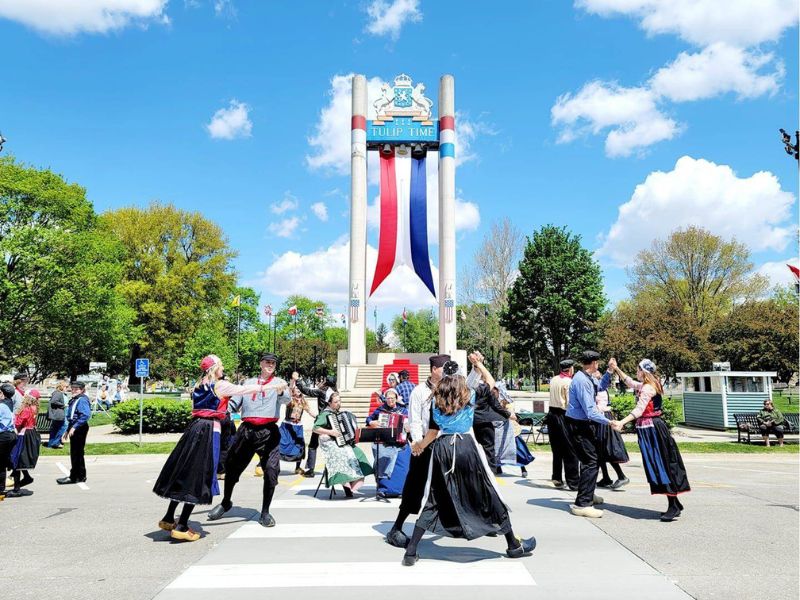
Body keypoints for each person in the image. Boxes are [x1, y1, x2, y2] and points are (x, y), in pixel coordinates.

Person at [400, 359, 535, 566]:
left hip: (443, 448)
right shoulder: (470, 394)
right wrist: (479, 364)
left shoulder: (436, 398)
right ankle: (513, 545)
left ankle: (411, 551)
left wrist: (419, 445)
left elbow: (433, 432)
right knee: (488, 492)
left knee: (434, 497)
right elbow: (490, 382)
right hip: (466, 446)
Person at [153, 355, 273, 541]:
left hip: (194, 429)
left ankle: (169, 518)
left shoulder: (198, 384)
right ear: (215, 367)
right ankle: (183, 525)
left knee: (184, 472)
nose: (223, 368)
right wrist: (273, 386)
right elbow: (244, 389)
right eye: (222, 364)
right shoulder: (219, 385)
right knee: (199, 475)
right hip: (209, 430)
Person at [207, 353, 290, 528]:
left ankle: (265, 511)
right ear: (260, 364)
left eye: (273, 363)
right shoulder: (248, 383)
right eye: (267, 362)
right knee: (232, 467)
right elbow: (233, 403)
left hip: (269, 430)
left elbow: (286, 401)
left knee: (271, 470)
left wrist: (282, 391)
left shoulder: (279, 382)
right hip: (247, 430)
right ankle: (226, 502)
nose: (270, 365)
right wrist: (216, 410)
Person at [612, 358, 690, 521]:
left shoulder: (648, 388)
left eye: (638, 369)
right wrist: (616, 369)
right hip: (649, 430)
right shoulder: (647, 385)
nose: (636, 372)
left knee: (661, 465)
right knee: (658, 465)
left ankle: (673, 504)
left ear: (644, 372)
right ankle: (674, 502)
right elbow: (631, 383)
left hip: (653, 430)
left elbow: (639, 410)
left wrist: (621, 422)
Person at [384, 354, 449, 548]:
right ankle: (397, 526)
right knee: (415, 486)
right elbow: (415, 421)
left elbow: (468, 390)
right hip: (425, 445)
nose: (446, 371)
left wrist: (477, 368)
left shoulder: (449, 388)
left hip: (446, 444)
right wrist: (419, 444)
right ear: (433, 369)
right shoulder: (419, 391)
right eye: (443, 368)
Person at [565, 351, 618, 518]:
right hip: (579, 425)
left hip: (582, 424)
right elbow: (589, 411)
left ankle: (588, 493)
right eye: (598, 363)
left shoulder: (587, 378)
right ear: (594, 363)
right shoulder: (582, 381)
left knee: (589, 459)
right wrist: (609, 422)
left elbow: (600, 386)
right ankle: (582, 504)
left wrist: (610, 371)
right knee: (590, 461)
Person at [312, 392, 373, 496]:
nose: (338, 403)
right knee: (342, 456)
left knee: (359, 454)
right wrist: (331, 432)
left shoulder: (338, 413)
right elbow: (315, 428)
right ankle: (347, 486)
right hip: (331, 443)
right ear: (329, 403)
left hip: (342, 442)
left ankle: (354, 482)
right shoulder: (325, 414)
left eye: (339, 401)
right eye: (336, 402)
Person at [471, 352, 510, 474]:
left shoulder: (465, 389)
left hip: (470, 422)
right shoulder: (483, 389)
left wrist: (477, 365)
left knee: (473, 449)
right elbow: (495, 404)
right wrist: (478, 363)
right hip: (485, 422)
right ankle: (490, 473)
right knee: (489, 449)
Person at [365, 387, 409, 497]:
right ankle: (383, 489)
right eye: (388, 398)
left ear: (397, 398)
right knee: (381, 452)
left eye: (392, 398)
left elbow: (411, 422)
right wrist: (372, 423)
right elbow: (368, 419)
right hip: (384, 441)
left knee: (404, 454)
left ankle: (400, 489)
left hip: (399, 441)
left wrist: (408, 427)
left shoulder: (403, 410)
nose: (390, 400)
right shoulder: (381, 410)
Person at [591, 370, 629, 489]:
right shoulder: (601, 389)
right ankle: (606, 477)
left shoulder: (599, 390)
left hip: (603, 419)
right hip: (603, 418)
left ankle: (621, 476)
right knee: (600, 450)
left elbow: (598, 407)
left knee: (606, 449)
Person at [296, 374, 337, 477]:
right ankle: (333, 469)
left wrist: (298, 380)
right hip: (332, 421)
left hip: (322, 420)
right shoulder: (336, 393)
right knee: (332, 445)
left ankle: (311, 469)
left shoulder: (322, 391)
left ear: (326, 382)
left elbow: (306, 391)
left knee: (313, 445)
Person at [547, 359, 580, 489]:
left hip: (551, 415)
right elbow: (569, 403)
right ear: (570, 369)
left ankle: (557, 477)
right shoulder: (569, 382)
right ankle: (573, 481)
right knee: (570, 449)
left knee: (557, 448)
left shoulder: (554, 379)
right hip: (563, 415)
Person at [279, 377, 318, 474]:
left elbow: (310, 412)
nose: (299, 390)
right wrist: (292, 379)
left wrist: (318, 417)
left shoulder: (303, 401)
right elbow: (289, 388)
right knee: (280, 445)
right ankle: (276, 466)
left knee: (299, 446)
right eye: (297, 388)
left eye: (300, 388)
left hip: (298, 427)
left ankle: (297, 467)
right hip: (287, 426)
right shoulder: (289, 400)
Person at [57, 381, 92, 486]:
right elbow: (73, 416)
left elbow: (85, 415)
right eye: (72, 388)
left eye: (76, 389)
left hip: (80, 428)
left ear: (82, 390)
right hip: (75, 427)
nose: (73, 390)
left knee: (77, 453)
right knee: (76, 453)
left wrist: (74, 427)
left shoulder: (82, 400)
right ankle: (80, 475)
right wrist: (68, 430)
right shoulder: (75, 399)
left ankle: (76, 476)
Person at [7, 390, 41, 497]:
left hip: (23, 435)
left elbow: (18, 423)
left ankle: (17, 489)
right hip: (30, 434)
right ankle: (26, 477)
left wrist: (14, 417)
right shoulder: (34, 409)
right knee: (21, 459)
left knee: (16, 460)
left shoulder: (26, 410)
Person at [495, 382, 533, 477]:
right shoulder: (493, 402)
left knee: (518, 450)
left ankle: (523, 468)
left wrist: (503, 412)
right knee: (499, 449)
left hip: (512, 431)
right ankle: (498, 467)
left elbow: (513, 417)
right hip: (500, 430)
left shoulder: (507, 403)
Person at [0, 383, 18, 501]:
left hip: (4, 435)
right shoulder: (9, 403)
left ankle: (1, 490)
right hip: (11, 435)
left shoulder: (2, 406)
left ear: (2, 394)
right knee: (2, 463)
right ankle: (2, 489)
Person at [47, 381, 68, 449]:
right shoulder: (58, 393)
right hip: (58, 414)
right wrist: (63, 405)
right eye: (66, 387)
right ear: (62, 387)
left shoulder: (58, 393)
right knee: (63, 426)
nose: (66, 388)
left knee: (55, 429)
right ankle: (55, 442)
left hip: (58, 414)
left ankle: (51, 444)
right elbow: (54, 401)